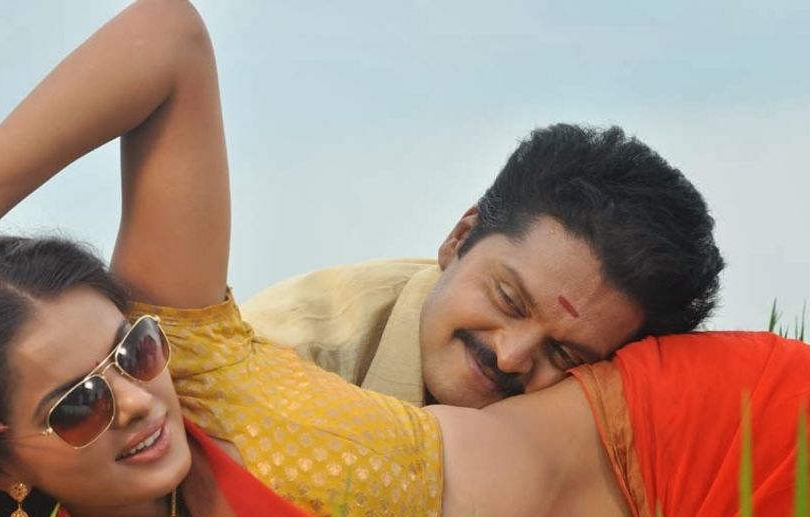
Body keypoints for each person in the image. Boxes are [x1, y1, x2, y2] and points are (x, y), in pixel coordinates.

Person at [0, 1, 805, 517]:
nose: (136, 400)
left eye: (132, 351)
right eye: (77, 405)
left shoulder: (198, 359)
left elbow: (168, 37)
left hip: (710, 449)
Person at [241, 123, 725, 409]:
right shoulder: (277, 362)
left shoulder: (607, 434)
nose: (511, 357)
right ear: (460, 237)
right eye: (509, 300)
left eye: (564, 355)